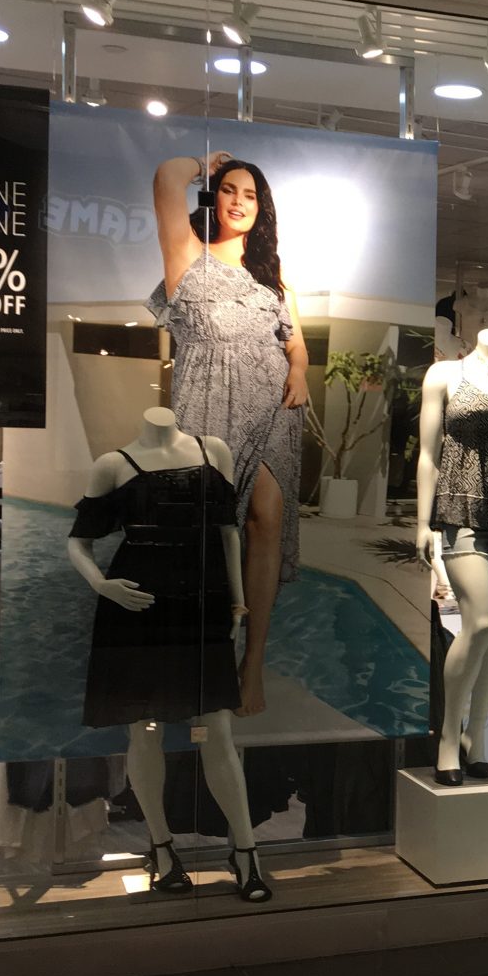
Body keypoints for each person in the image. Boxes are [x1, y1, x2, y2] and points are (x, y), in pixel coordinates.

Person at [150, 152, 308, 715]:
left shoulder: (273, 279)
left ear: (262, 209)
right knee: (205, 534)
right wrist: (203, 162)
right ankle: (198, 657)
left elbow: (295, 342)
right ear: (212, 198)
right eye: (229, 190)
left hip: (274, 410)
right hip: (209, 406)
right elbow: (166, 178)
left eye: (250, 194)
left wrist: (298, 370)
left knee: (267, 521)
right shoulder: (187, 256)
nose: (240, 201)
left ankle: (252, 664)